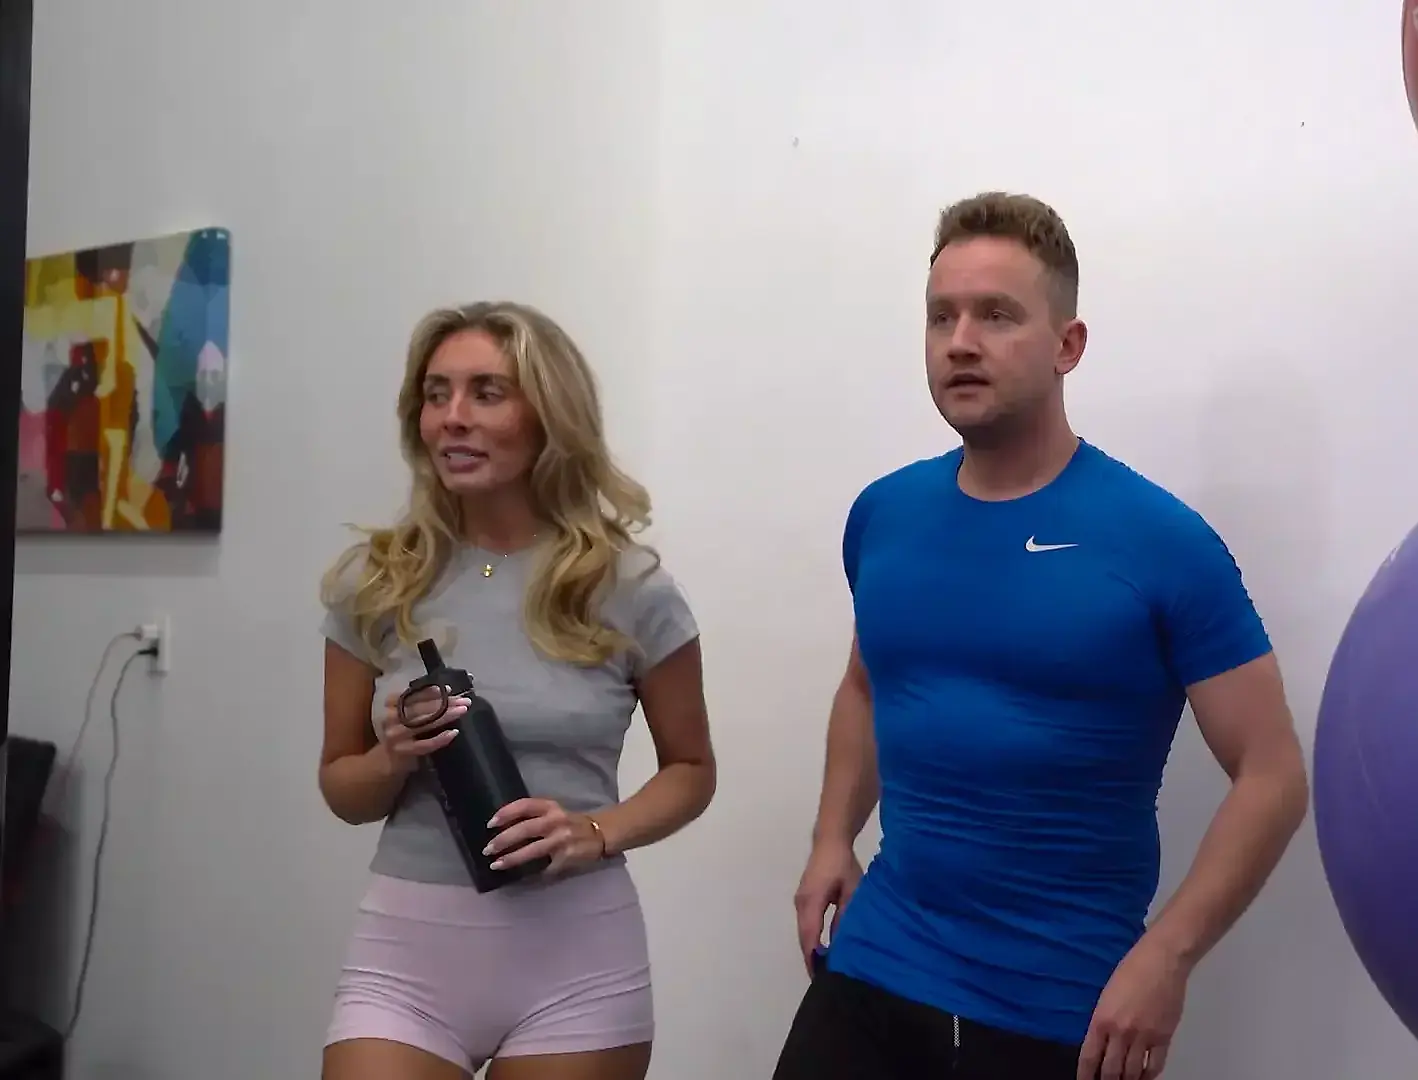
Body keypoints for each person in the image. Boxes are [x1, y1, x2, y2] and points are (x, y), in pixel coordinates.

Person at [772, 193, 1311, 1080]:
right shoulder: (885, 515)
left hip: (1063, 1006)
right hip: (876, 966)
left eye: (996, 315)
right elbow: (869, 684)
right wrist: (833, 835)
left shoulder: (1160, 541)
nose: (961, 342)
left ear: (1068, 345)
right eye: (941, 316)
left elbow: (1273, 773)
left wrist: (1167, 957)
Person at [315, 301, 716, 1080]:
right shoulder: (377, 582)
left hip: (576, 963)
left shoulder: (629, 587)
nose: (453, 418)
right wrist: (392, 756)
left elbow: (692, 771)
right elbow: (342, 789)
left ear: (548, 416)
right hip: (406, 961)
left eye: (486, 393)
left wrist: (595, 831)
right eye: (436, 395)